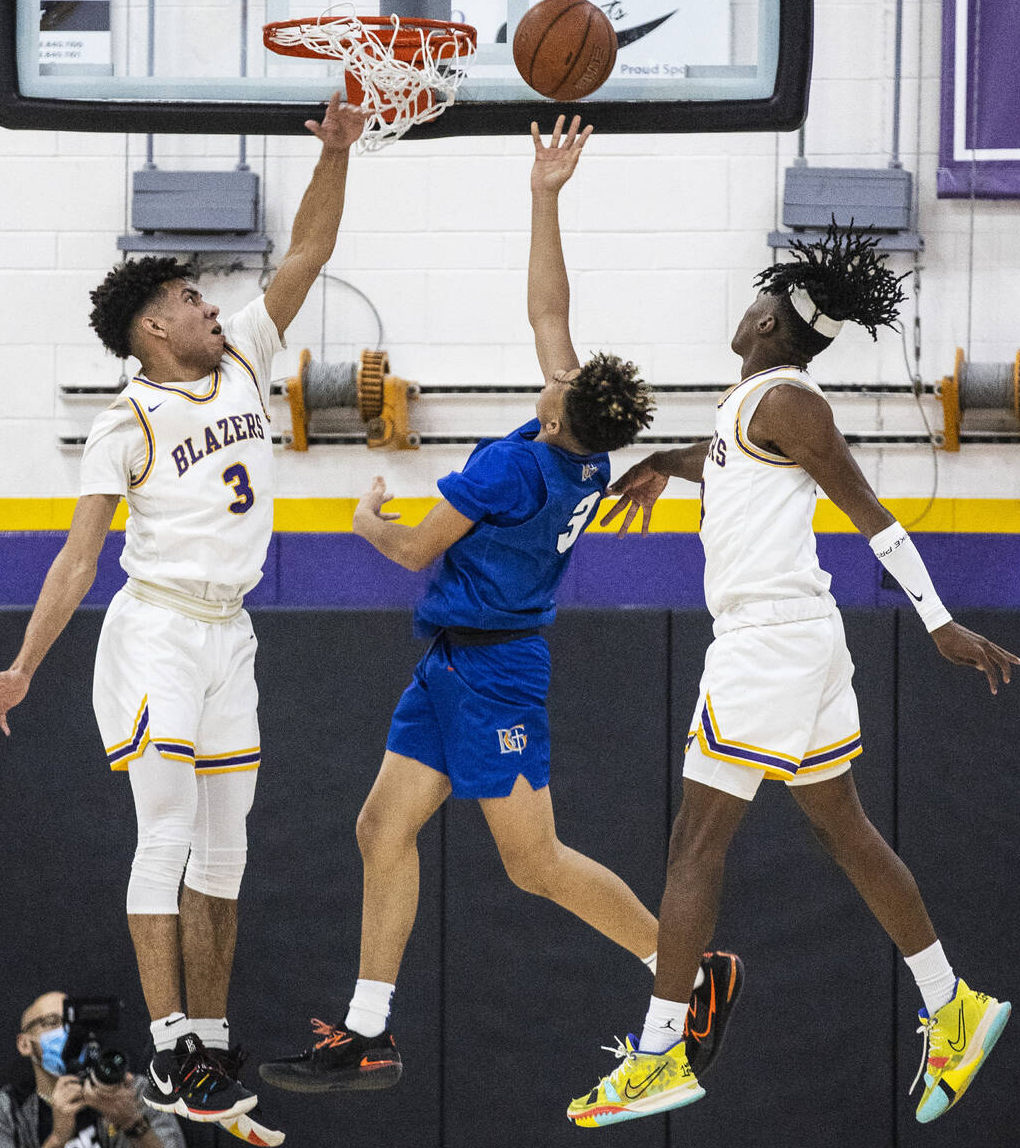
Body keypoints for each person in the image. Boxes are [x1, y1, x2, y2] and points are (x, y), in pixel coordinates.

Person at [258, 116, 743, 1096]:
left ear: (560, 407)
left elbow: (405, 549)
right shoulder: (583, 444)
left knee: (535, 863)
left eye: (555, 380)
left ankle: (688, 974)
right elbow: (547, 309)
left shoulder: (514, 470)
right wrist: (543, 194)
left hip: (493, 672)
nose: (547, 372)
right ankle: (367, 1032)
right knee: (377, 829)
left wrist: (362, 514)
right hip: (451, 664)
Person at [0, 93, 367, 1127]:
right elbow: (76, 558)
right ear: (154, 324)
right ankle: (167, 1047)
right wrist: (22, 669)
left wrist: (336, 150)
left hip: (230, 634)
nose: (209, 306)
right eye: (192, 296)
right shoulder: (125, 420)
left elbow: (310, 251)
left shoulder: (243, 360)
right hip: (154, 633)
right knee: (170, 832)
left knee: (230, 849)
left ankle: (210, 1047)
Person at [565, 222, 1020, 1128]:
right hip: (790, 646)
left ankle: (658, 1054)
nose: (746, 304)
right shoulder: (752, 407)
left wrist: (936, 620)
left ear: (772, 323)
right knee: (845, 832)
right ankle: (951, 1005)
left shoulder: (785, 400)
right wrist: (666, 463)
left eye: (758, 297)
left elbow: (870, 512)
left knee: (695, 846)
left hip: (766, 645)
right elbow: (730, 467)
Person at [0, 990, 184, 1148]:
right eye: (51, 1022)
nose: (65, 1032)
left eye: (71, 1022)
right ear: (24, 1044)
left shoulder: (133, 1090)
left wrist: (132, 1123)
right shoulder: (6, 1109)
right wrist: (58, 1138)